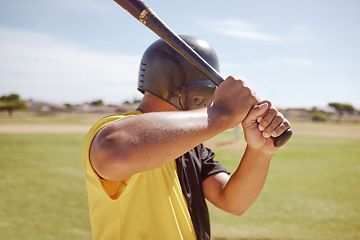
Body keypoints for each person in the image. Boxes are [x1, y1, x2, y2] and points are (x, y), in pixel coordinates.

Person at [82, 35, 290, 240]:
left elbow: (233, 202)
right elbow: (115, 153)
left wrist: (260, 151)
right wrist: (221, 115)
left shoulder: (190, 145)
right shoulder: (115, 129)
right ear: (199, 95)